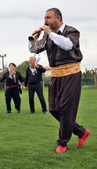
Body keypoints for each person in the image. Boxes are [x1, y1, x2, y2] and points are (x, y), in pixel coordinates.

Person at [29, 8, 91, 153]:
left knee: (65, 109)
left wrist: (50, 33)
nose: (45, 21)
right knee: (53, 109)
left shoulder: (72, 31)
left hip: (71, 73)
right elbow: (34, 50)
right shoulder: (47, 35)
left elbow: (68, 45)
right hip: (56, 75)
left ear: (58, 17)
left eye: (48, 17)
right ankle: (81, 131)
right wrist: (34, 38)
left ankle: (62, 143)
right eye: (44, 18)